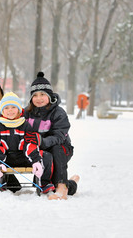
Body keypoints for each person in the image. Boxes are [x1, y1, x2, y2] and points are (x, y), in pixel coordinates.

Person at [0, 92, 54, 193]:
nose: (10, 110)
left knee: (46, 156)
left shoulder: (26, 126)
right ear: (2, 111)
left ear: (19, 109)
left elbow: (30, 144)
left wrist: (35, 160)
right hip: (5, 159)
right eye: (6, 108)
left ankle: (44, 183)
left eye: (13, 107)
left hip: (24, 157)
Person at [24, 72, 80, 200]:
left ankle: (62, 187)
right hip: (38, 150)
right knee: (50, 179)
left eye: (43, 94)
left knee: (56, 149)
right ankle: (71, 183)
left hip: (61, 149)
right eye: (35, 95)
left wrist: (41, 141)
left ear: (49, 95)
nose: (39, 98)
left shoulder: (58, 113)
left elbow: (60, 136)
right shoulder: (27, 113)